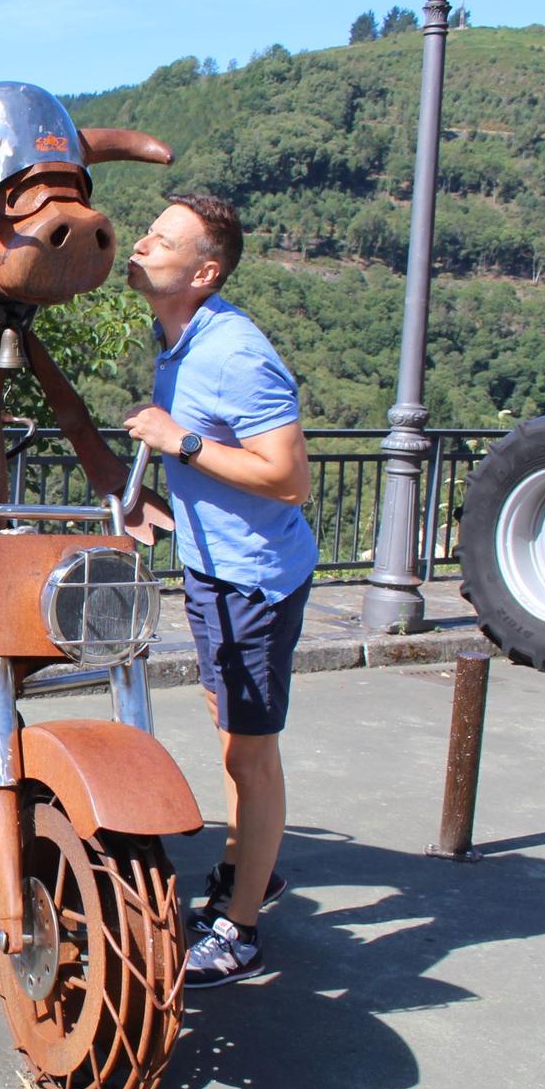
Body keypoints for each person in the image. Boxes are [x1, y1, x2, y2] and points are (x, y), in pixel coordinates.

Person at [122, 193, 317, 989]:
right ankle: (251, 870)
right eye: (147, 229)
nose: (141, 242)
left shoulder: (234, 352)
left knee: (250, 749)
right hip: (214, 566)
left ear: (202, 272)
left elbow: (289, 477)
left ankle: (239, 930)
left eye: (162, 239)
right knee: (229, 727)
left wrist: (183, 441)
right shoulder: (179, 336)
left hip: (255, 580)